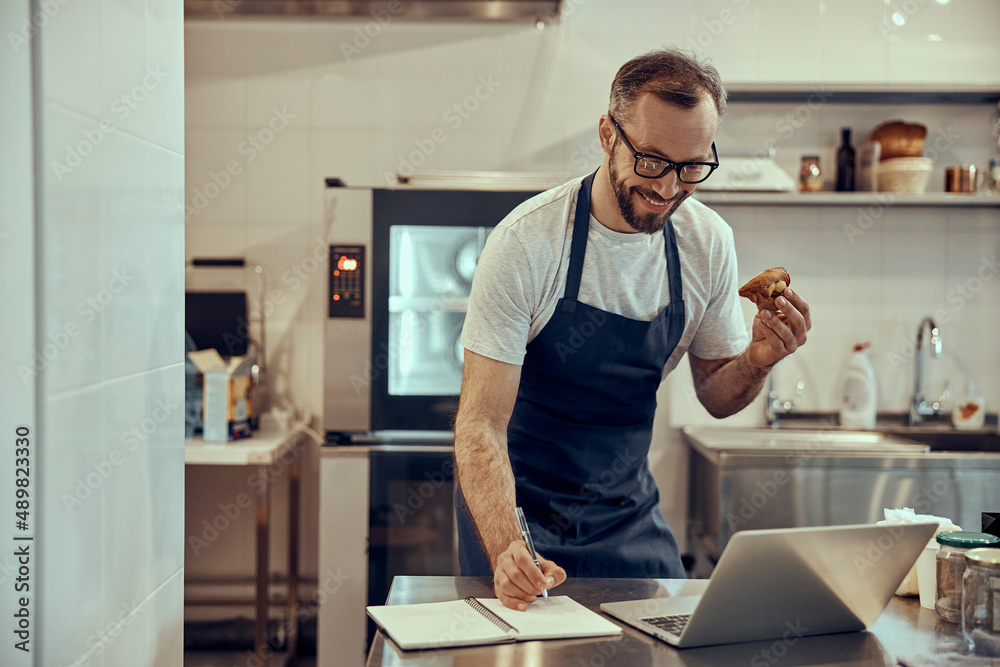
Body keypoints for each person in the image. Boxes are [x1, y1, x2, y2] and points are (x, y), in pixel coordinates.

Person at [453, 48, 811, 611]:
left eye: (692, 166)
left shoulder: (707, 243)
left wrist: (757, 361)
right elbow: (480, 427)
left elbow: (718, 394)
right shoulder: (526, 243)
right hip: (518, 513)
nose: (669, 187)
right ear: (607, 135)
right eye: (651, 160)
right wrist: (506, 547)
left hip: (626, 516)